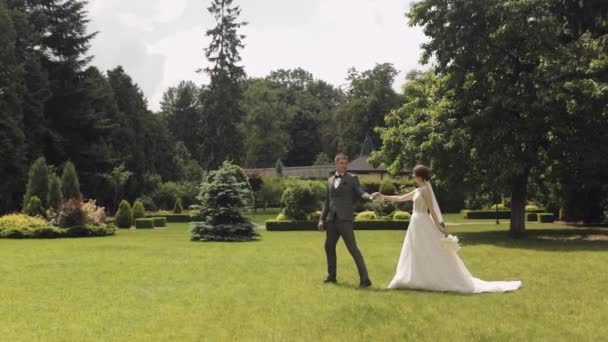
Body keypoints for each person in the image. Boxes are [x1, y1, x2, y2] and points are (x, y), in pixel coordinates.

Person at [372, 165, 522, 293]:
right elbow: (399, 198)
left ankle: (434, 278)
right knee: (415, 250)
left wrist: (440, 227)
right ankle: (415, 278)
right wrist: (382, 196)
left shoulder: (425, 190)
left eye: (413, 173)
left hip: (422, 222)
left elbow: (431, 209)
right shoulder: (418, 190)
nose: (412, 175)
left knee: (430, 250)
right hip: (415, 223)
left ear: (418, 175)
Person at [318, 153, 373, 288]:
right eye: (341, 163)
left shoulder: (352, 178)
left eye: (345, 163)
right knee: (329, 247)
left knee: (353, 249)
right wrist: (321, 219)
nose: (344, 166)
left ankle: (365, 280)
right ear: (336, 164)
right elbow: (327, 201)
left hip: (345, 220)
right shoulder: (330, 180)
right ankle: (332, 277)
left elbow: (360, 192)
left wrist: (370, 197)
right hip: (332, 220)